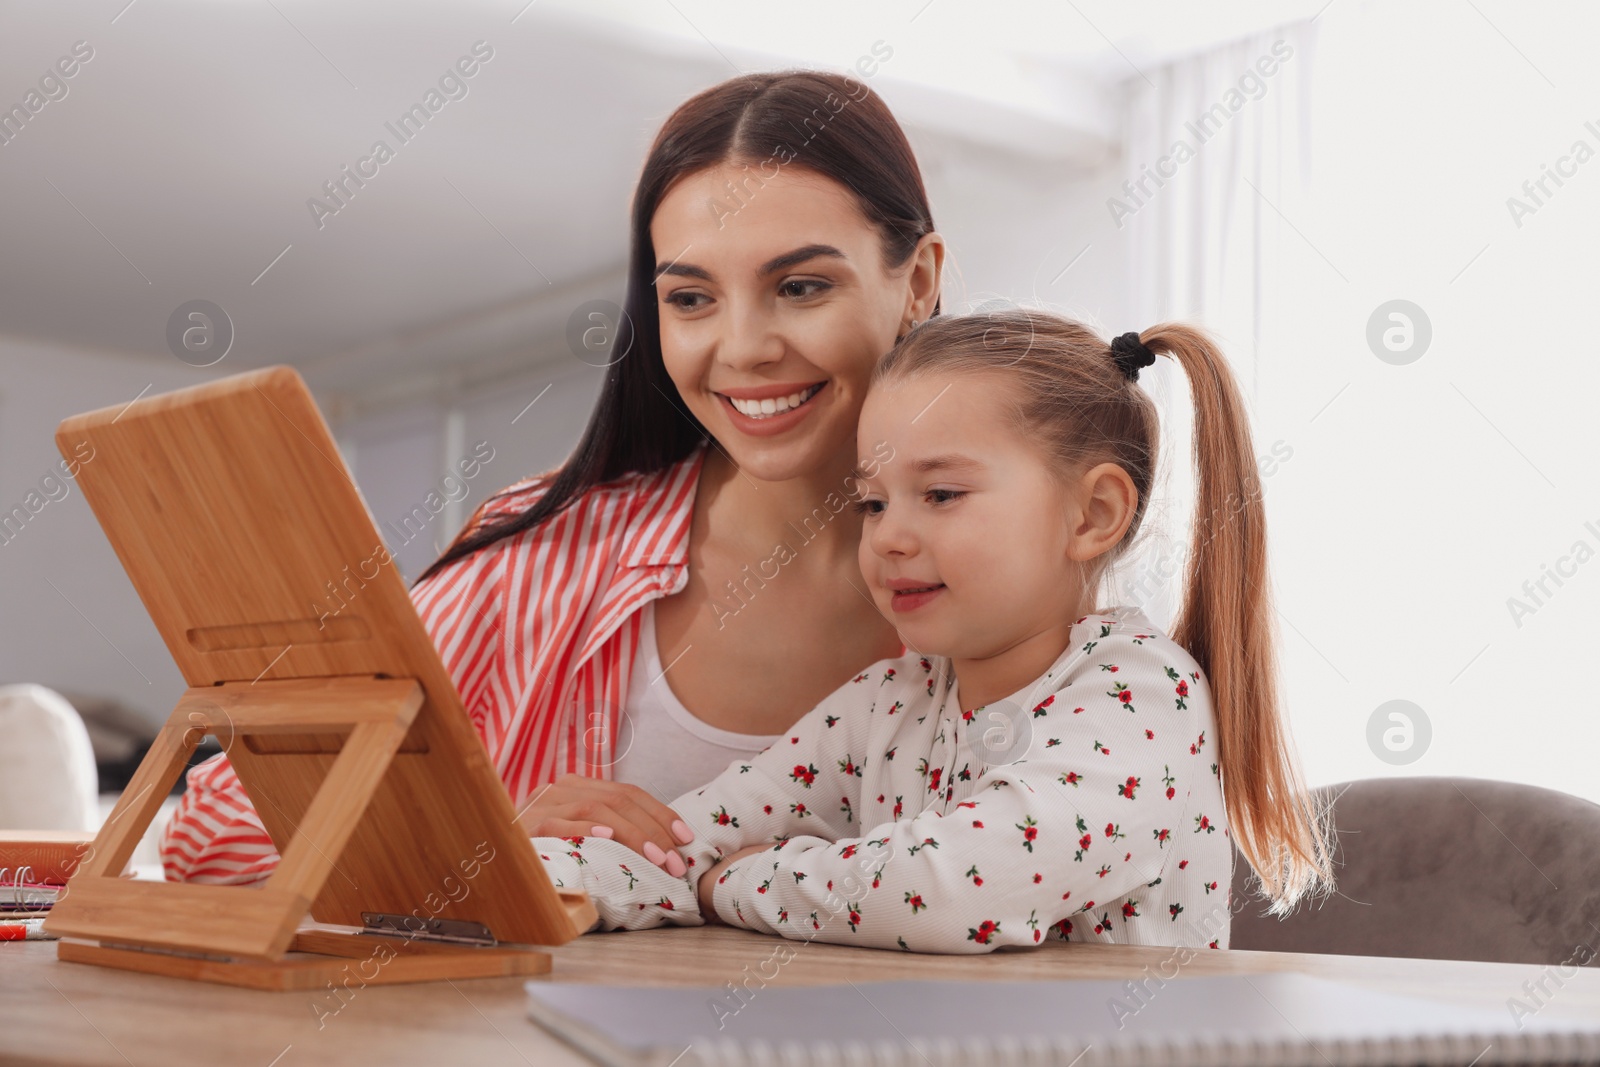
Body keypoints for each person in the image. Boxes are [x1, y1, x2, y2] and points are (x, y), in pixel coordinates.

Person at [159, 67, 945, 884]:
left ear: (917, 280)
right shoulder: (541, 554)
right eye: (691, 299)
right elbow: (212, 835)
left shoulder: (1019, 575)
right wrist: (488, 844)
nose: (743, 348)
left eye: (800, 286)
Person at [527, 309, 1336, 952]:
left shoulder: (1141, 698)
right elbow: (681, 846)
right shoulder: (884, 705)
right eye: (872, 502)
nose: (887, 537)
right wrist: (536, 867)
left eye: (941, 494)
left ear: (1093, 514)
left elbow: (959, 889)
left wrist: (729, 885)